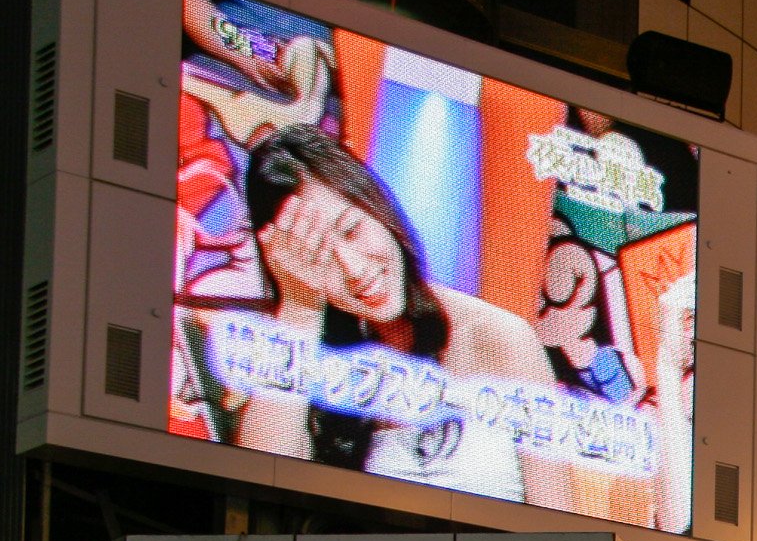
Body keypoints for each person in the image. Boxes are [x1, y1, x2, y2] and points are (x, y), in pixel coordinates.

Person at [225, 127, 578, 511]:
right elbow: (261, 493)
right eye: (320, 255)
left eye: (352, 229)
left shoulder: (499, 338)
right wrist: (300, 306)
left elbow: (559, 519)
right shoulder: (307, 357)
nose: (355, 269)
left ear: (378, 208)